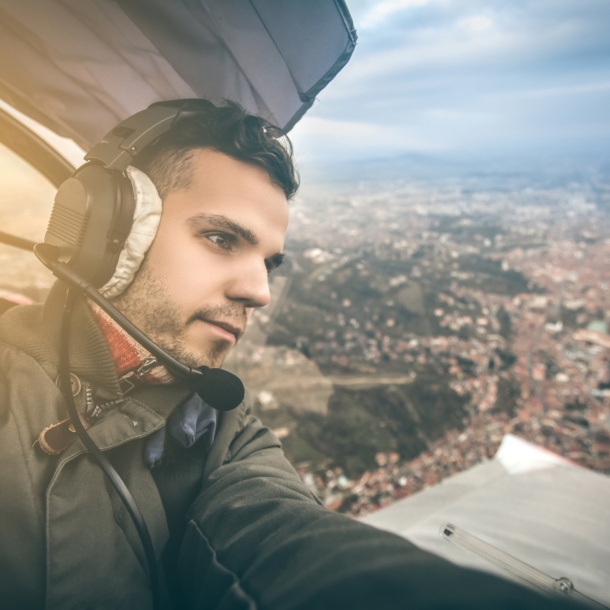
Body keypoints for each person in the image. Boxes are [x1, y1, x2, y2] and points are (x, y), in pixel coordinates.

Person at [0, 100, 581, 609]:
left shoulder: (221, 429)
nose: (259, 290)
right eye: (222, 239)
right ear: (109, 232)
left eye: (269, 262)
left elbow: (284, 539)